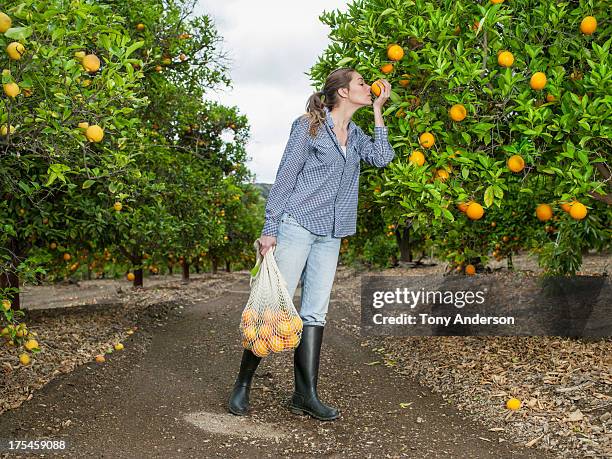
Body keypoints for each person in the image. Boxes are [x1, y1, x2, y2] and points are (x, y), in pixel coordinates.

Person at [228, 68, 395, 421]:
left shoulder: (358, 134)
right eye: (362, 83)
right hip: (297, 224)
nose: (369, 87)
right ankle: (243, 383)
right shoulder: (308, 125)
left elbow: (383, 158)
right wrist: (270, 228)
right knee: (274, 304)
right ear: (343, 92)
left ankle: (305, 394)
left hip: (332, 231)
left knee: (315, 312)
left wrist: (379, 110)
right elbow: (286, 176)